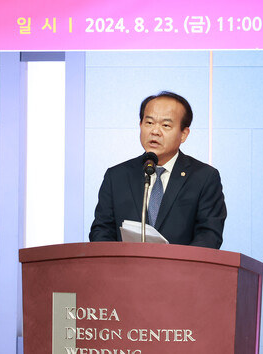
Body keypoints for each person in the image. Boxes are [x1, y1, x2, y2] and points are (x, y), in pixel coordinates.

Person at [89, 91, 226, 249]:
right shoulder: (116, 176)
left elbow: (209, 236)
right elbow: (101, 232)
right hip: (125, 265)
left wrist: (175, 263)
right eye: (149, 123)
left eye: (165, 125)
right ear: (140, 125)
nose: (155, 131)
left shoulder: (204, 177)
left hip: (180, 265)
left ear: (184, 134)